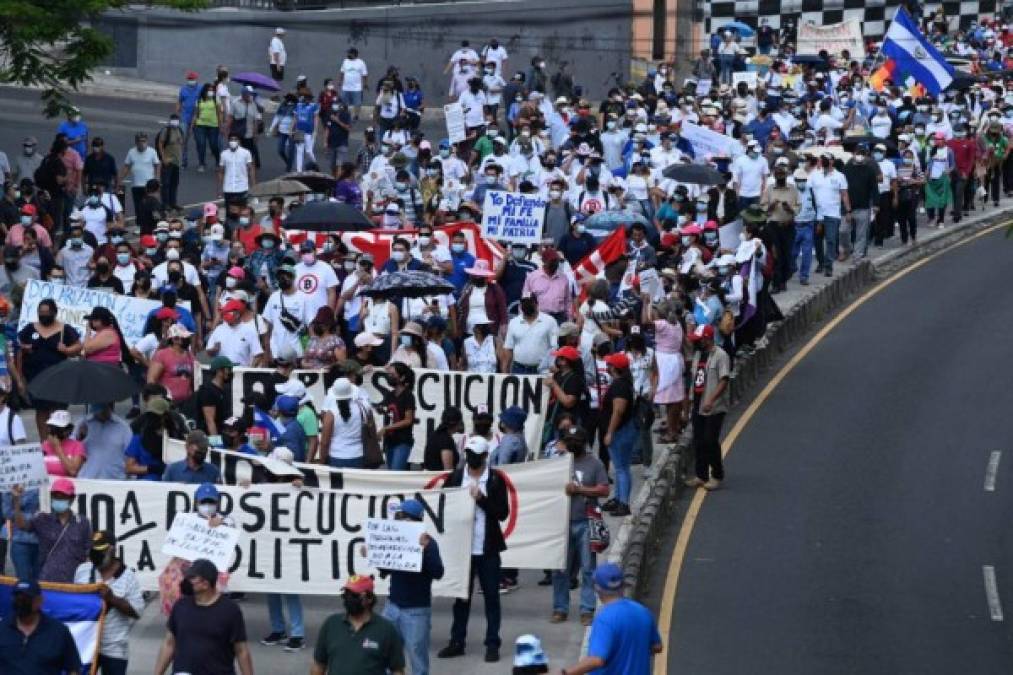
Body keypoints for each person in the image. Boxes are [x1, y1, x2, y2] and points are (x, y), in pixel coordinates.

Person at [437, 436, 509, 663]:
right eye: (469, 456)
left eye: (476, 457)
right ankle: (457, 641)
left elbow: (502, 513)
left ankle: (492, 643)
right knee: (461, 598)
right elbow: (444, 505)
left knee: (491, 599)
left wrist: (481, 499)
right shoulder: (456, 477)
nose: (472, 460)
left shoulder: (496, 480)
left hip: (487, 549)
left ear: (486, 457)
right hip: (462, 549)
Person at [372, 499, 445, 675]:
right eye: (399, 516)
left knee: (417, 659)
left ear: (414, 520)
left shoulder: (429, 543)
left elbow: (438, 572)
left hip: (416, 611)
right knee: (386, 655)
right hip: (392, 606)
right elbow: (386, 568)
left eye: (403, 516)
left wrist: (426, 550)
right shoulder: (396, 539)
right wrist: (374, 554)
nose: (400, 520)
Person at [556, 562, 663, 675]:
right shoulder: (643, 611)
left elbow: (597, 659)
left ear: (597, 587)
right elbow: (657, 646)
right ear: (622, 585)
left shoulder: (605, 619)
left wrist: (564, 673)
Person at [550, 425, 609, 626]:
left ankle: (587, 609)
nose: (572, 444)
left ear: (584, 443)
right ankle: (560, 608)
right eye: (569, 440)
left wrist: (580, 489)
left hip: (585, 521)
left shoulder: (595, 464)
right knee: (559, 568)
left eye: (575, 441)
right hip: (561, 523)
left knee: (587, 568)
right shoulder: (558, 462)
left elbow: (604, 490)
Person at [154, 558, 254, 675]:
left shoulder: (230, 611)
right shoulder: (180, 606)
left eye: (192, 578)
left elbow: (241, 651)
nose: (185, 580)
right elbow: (169, 644)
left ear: (205, 584)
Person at [73, 530, 144, 675]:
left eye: (100, 550)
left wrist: (112, 599)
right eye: (93, 550)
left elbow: (138, 611)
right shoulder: (82, 570)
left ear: (112, 550)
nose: (96, 554)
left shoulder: (128, 577)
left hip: (114, 647)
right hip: (86, 644)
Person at [311, 574, 405, 675]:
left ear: (369, 598)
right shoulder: (331, 625)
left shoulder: (386, 629)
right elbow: (319, 665)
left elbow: (397, 670)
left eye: (354, 596)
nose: (349, 599)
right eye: (346, 595)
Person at [11, 478, 92, 583]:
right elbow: (22, 525)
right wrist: (17, 502)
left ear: (72, 499)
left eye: (62, 497)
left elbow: (89, 552)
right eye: (55, 496)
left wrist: (87, 579)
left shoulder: (82, 522)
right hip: (47, 581)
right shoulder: (43, 519)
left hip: (75, 583)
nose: (58, 499)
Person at [0, 579, 83, 675]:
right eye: (17, 597)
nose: (20, 601)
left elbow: (73, 669)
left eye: (25, 598)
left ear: (39, 601)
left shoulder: (59, 632)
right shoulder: (2, 628)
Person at [685, 323, 731, 490]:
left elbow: (724, 380)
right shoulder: (698, 355)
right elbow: (695, 378)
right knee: (698, 441)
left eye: (699, 340)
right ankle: (701, 474)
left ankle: (717, 474)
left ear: (707, 339)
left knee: (710, 440)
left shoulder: (720, 356)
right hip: (698, 405)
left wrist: (711, 400)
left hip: (714, 407)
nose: (696, 343)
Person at [76, 402, 132, 480]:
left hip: (114, 479)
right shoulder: (82, 424)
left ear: (109, 408)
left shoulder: (123, 427)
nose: (101, 414)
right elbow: (72, 451)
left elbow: (130, 456)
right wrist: (80, 438)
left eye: (103, 411)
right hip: (88, 478)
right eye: (98, 411)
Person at [319, 377, 366, 467]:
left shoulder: (331, 413)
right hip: (358, 454)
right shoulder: (363, 408)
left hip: (337, 456)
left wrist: (322, 460)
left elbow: (325, 441)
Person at [379, 361, 416, 470]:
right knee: (391, 473)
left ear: (402, 377)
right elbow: (389, 412)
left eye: (392, 374)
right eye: (389, 374)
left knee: (396, 471)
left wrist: (387, 428)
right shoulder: (390, 394)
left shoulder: (408, 396)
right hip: (389, 441)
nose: (389, 377)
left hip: (402, 441)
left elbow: (408, 420)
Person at [41, 409, 86, 478]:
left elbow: (73, 471)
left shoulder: (77, 446)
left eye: (58, 428)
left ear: (67, 430)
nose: (54, 431)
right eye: (52, 427)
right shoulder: (44, 446)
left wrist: (58, 448)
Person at [196, 356, 233, 436]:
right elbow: (210, 421)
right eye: (228, 369)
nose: (230, 372)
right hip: (208, 438)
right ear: (219, 371)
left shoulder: (224, 390)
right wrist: (216, 444)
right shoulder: (208, 391)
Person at [423, 406, 463, 471]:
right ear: (458, 423)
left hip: (431, 478)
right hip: (439, 479)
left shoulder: (435, 435)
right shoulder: (445, 440)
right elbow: (448, 470)